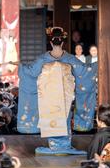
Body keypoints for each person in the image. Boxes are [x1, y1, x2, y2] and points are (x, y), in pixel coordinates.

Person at [18, 27, 98, 155]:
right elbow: (84, 72)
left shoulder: (43, 59)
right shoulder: (70, 59)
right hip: (64, 97)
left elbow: (30, 73)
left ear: (51, 43)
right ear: (62, 43)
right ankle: (64, 145)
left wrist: (20, 66)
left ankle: (55, 146)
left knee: (51, 117)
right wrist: (96, 66)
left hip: (48, 98)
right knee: (64, 117)